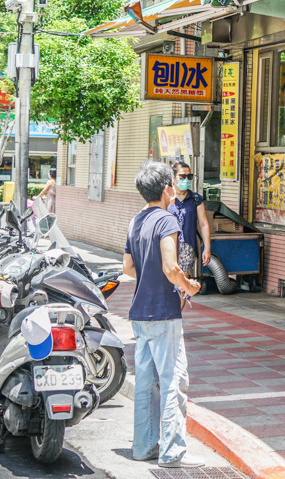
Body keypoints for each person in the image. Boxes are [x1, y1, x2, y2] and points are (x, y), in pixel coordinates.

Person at [122, 161, 203, 468]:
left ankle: (143, 447)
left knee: (145, 383)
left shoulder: (136, 221)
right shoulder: (167, 221)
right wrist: (188, 285)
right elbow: (171, 268)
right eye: (173, 183)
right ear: (167, 188)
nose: (175, 188)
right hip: (163, 311)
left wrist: (152, 273)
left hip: (139, 312)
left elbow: (128, 268)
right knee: (173, 382)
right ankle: (172, 452)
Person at [168, 161, 211, 287]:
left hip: (187, 247)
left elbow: (203, 224)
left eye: (189, 177)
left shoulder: (196, 199)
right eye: (182, 176)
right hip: (167, 246)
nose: (186, 180)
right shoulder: (166, 198)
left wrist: (206, 248)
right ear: (173, 178)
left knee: (182, 284)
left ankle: (177, 307)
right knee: (168, 283)